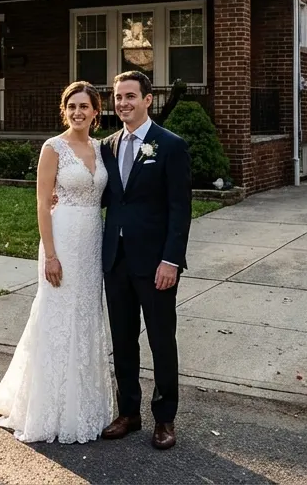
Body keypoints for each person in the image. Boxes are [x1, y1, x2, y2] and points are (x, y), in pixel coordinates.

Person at [0, 81, 116, 443]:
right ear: (65, 111)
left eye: (84, 106)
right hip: (61, 240)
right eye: (71, 106)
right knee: (57, 315)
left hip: (92, 241)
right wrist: (51, 255)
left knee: (86, 316)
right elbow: (43, 204)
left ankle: (84, 402)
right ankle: (49, 406)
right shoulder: (53, 148)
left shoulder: (101, 148)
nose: (78, 112)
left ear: (96, 111)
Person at [97, 70, 192, 450]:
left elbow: (180, 209)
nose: (123, 103)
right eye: (118, 97)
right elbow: (107, 197)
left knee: (161, 340)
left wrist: (171, 260)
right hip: (116, 260)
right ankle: (129, 413)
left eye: (130, 96)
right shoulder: (107, 146)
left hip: (155, 263)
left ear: (147, 100)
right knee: (122, 340)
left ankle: (165, 418)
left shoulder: (170, 145)